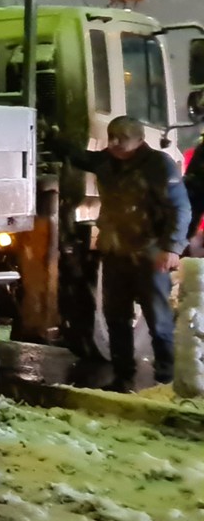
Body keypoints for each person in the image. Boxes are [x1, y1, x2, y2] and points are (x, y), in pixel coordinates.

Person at [64, 116, 190, 391]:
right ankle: (123, 377)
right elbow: (79, 157)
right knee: (116, 317)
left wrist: (172, 247)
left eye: (121, 137)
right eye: (111, 137)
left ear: (139, 139)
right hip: (116, 252)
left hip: (149, 252)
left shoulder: (159, 165)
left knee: (158, 320)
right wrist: (57, 138)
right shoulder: (107, 161)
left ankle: (166, 380)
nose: (114, 143)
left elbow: (180, 208)